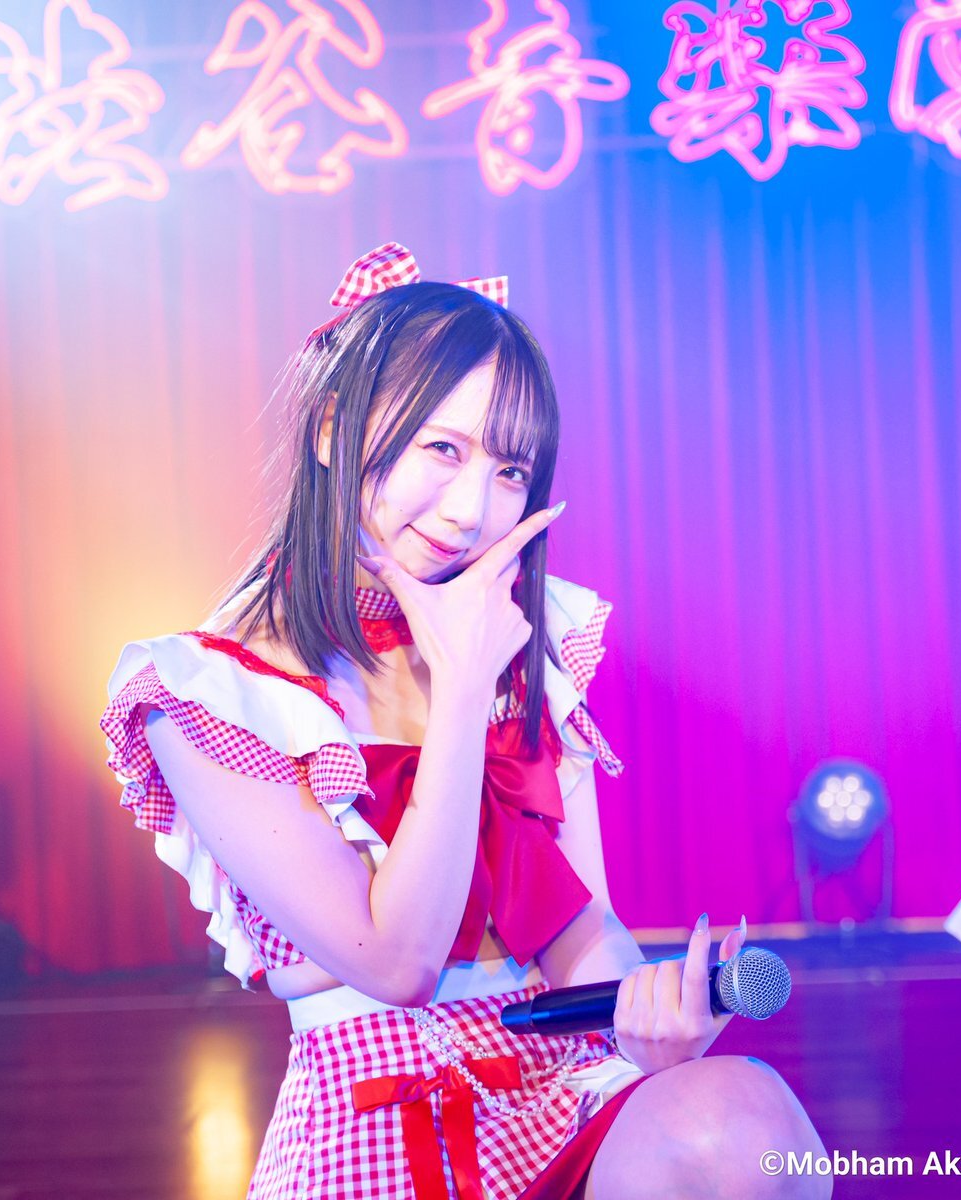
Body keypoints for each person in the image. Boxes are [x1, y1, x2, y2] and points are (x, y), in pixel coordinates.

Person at [102, 243, 830, 1199]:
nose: (470, 510)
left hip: (557, 1086)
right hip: (373, 1117)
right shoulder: (212, 692)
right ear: (332, 427)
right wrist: (457, 688)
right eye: (441, 450)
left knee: (740, 1119)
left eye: (509, 470)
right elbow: (397, 962)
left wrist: (646, 1022)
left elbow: (580, 929)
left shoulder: (527, 641)